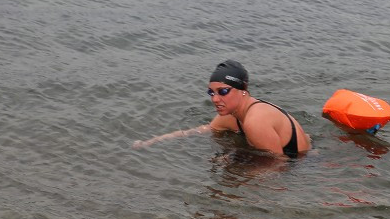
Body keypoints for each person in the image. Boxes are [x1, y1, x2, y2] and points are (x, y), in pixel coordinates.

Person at [132, 60, 311, 157]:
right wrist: (153, 142)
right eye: (211, 92)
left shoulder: (255, 121)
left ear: (243, 90)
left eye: (223, 91)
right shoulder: (231, 115)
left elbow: (278, 164)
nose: (215, 99)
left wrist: (238, 180)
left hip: (302, 164)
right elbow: (198, 131)